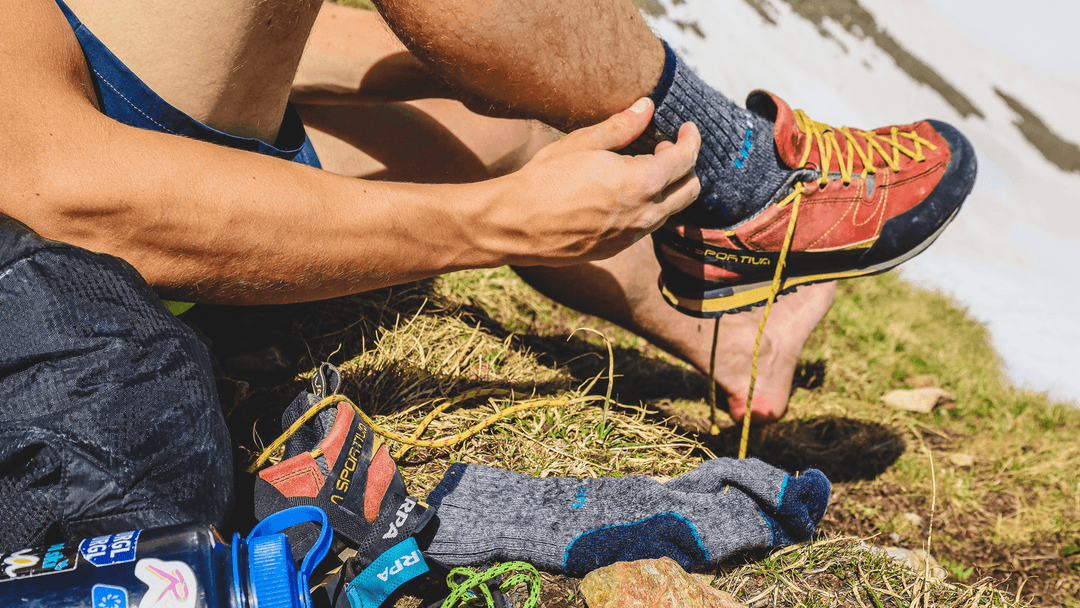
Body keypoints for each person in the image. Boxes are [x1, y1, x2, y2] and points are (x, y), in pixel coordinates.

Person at [0, 0, 974, 548]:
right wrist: (489, 224)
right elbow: (55, 189)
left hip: (83, 210)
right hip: (60, 280)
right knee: (489, 137)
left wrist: (486, 53)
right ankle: (750, 181)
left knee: (494, 122)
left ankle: (717, 303)